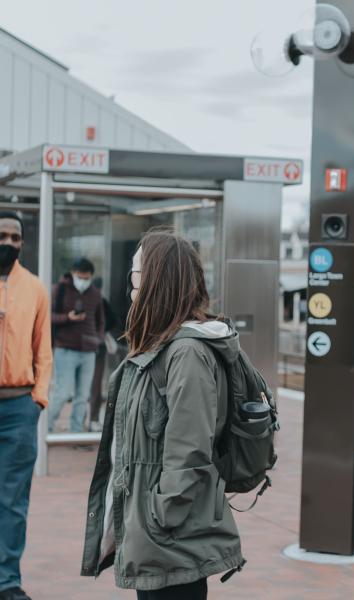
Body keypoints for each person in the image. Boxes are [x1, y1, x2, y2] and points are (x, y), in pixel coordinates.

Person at [80, 230, 243, 599]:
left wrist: (158, 515)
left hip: (171, 539)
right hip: (154, 539)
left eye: (136, 274)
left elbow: (188, 453)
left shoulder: (187, 354)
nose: (131, 285)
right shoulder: (159, 347)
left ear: (157, 280)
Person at [0, 211, 52, 600]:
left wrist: (38, 399)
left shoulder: (34, 287)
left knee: (13, 500)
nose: (9, 243)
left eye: (15, 237)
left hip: (19, 407)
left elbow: (43, 350)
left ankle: (7, 581)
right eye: (2, 235)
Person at [48, 258, 104, 432]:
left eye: (87, 278)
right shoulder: (60, 289)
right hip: (65, 349)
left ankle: (76, 433)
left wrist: (97, 339)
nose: (83, 281)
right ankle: (45, 429)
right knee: (62, 393)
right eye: (80, 277)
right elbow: (48, 316)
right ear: (73, 273)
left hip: (88, 352)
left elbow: (100, 320)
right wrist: (68, 317)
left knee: (82, 396)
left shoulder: (95, 293)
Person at [87, 277, 121, 432]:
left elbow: (112, 321)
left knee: (91, 386)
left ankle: (90, 419)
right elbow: (113, 321)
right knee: (93, 385)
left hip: (92, 348)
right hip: (92, 348)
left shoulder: (98, 301)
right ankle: (91, 420)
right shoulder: (99, 300)